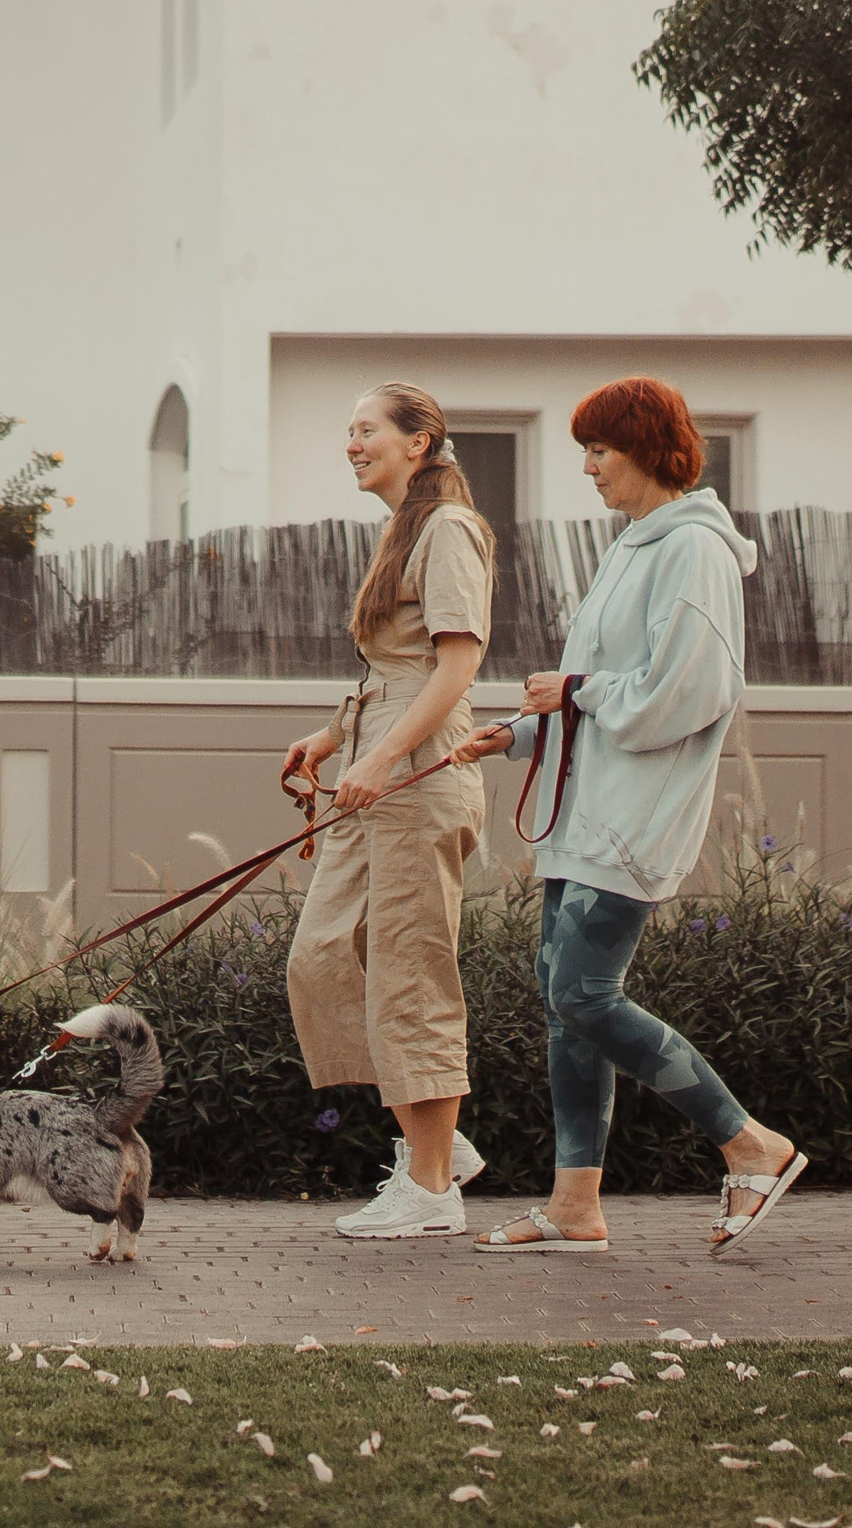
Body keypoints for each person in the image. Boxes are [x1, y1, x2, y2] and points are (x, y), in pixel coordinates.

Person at [455, 376, 804, 1256]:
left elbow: (682, 692)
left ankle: (752, 1145)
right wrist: (515, 733)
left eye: (599, 450)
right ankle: (576, 1206)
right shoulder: (634, 546)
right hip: (586, 814)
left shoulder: (694, 551)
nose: (587, 468)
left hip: (634, 818)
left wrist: (574, 689)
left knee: (582, 992)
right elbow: (600, 690)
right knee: (560, 1001)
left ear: (647, 447)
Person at [280, 382, 495, 1241]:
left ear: (420, 440)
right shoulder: (402, 529)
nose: (352, 443)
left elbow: (456, 667)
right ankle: (438, 1141)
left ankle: (432, 1187)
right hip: (378, 770)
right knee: (322, 957)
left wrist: (378, 756)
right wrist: (331, 739)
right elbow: (390, 669)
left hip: (417, 780)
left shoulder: (447, 530)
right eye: (349, 431)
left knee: (409, 974)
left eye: (366, 429)